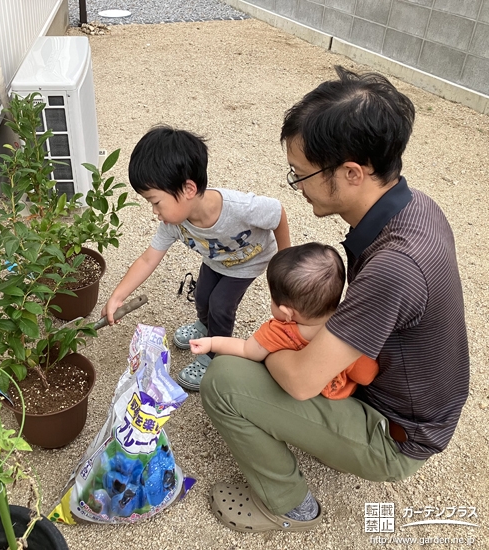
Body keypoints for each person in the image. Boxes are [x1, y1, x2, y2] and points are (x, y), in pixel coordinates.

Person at [200, 66, 469, 533]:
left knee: (224, 378)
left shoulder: (395, 266)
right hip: (409, 401)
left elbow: (302, 383)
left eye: (300, 174)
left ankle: (287, 505)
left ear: (350, 173)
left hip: (397, 434)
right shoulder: (415, 207)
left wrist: (267, 345)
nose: (297, 186)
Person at [101, 125, 290, 391]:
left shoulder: (240, 208)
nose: (154, 211)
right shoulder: (173, 223)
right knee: (202, 297)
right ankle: (204, 326)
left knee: (221, 305)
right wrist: (118, 296)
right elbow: (148, 259)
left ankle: (213, 357)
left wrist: (285, 261)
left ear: (188, 188)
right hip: (215, 260)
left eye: (156, 201)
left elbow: (277, 213)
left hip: (248, 261)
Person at [190, 242, 378, 400]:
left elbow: (247, 350)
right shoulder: (348, 326)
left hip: (296, 394)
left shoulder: (278, 331)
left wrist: (212, 342)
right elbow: (366, 375)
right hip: (340, 398)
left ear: (287, 313)